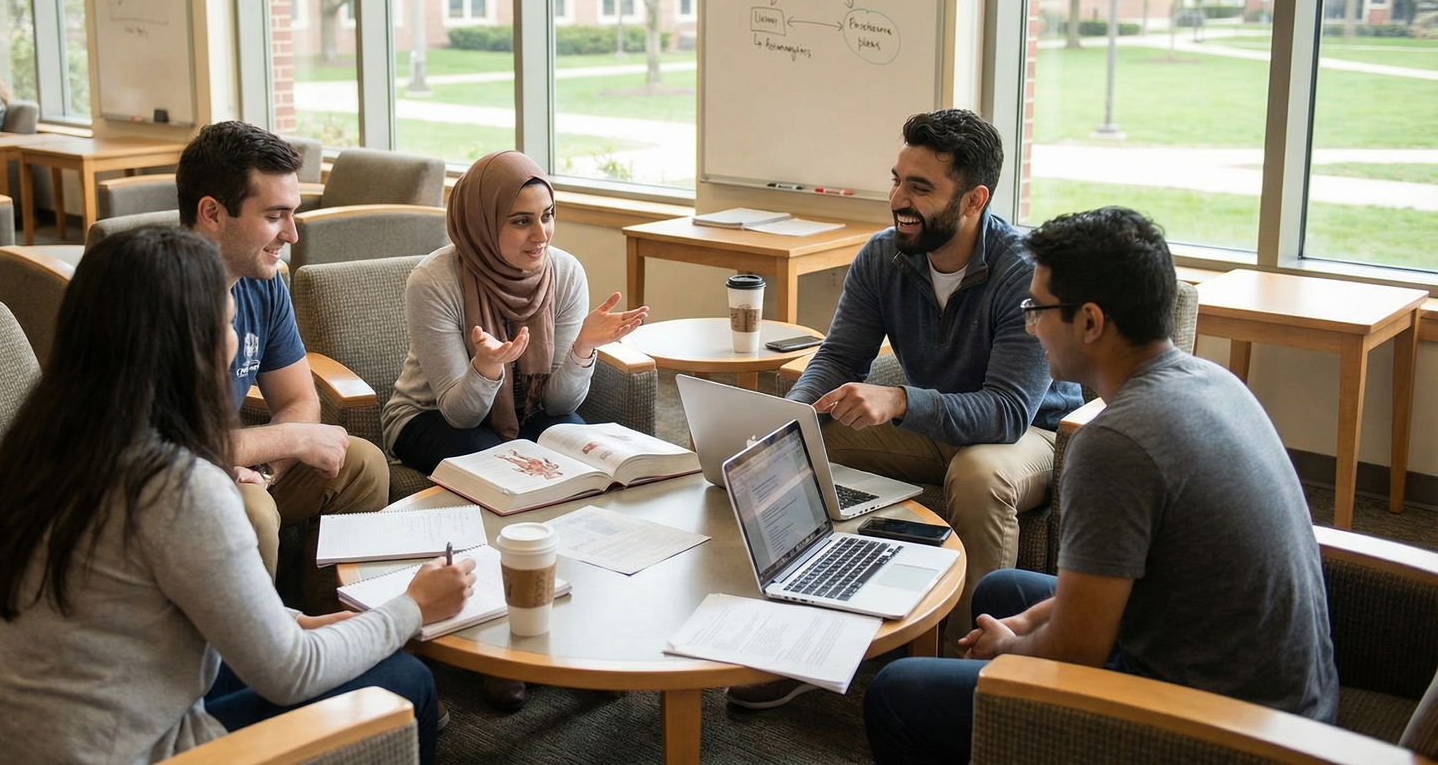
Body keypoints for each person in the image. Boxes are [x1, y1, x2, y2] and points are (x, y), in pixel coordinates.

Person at [0, 226, 477, 765]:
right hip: (119, 751)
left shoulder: (47, 439)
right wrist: (413, 607)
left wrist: (293, 621)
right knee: (404, 682)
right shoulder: (178, 485)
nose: (233, 334)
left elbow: (143, 601)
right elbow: (291, 673)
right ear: (190, 342)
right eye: (226, 321)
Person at [862, 207, 1338, 764]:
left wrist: (1013, 652)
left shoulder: (1114, 443)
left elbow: (1077, 649)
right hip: (1289, 696)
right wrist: (1024, 626)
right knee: (1003, 593)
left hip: (1225, 728)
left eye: (1036, 309)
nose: (1028, 326)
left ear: (1090, 322)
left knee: (896, 692)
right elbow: (1113, 586)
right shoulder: (1209, 378)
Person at [732, 109, 1081, 712]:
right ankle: (805, 632)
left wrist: (897, 399)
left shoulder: (1022, 270)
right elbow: (839, 357)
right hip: (929, 422)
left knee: (978, 476)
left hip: (1030, 432)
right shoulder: (883, 256)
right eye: (897, 179)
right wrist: (787, 420)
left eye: (920, 188)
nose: (898, 199)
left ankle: (959, 673)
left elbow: (1005, 411)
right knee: (803, 443)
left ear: (974, 199)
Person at [382, 149, 647, 708]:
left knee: (579, 468)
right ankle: (498, 643)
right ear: (482, 222)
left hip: (527, 412)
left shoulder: (565, 272)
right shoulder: (434, 280)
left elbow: (558, 401)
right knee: (500, 474)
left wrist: (581, 349)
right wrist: (486, 367)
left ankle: (574, 625)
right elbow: (459, 413)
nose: (541, 234)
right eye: (521, 220)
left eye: (547, 215)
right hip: (431, 417)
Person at [177, 120, 391, 613]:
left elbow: (297, 399)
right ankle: (259, 659)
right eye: (275, 216)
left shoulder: (264, 281)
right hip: (158, 483)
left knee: (359, 464)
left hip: (226, 463)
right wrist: (287, 442)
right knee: (249, 509)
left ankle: (325, 619)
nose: (291, 235)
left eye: (293, 214)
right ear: (211, 212)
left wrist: (265, 467)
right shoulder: (157, 292)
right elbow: (164, 448)